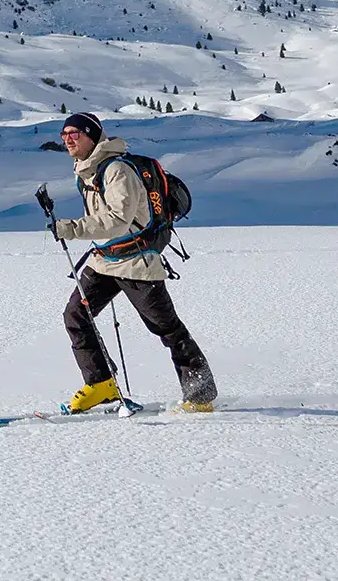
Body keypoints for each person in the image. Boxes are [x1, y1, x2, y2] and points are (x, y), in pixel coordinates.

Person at [51, 112, 217, 413]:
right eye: (64, 135)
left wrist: (72, 228)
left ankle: (200, 395)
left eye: (74, 133)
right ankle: (101, 384)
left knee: (167, 329)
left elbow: (118, 219)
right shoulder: (86, 172)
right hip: (104, 260)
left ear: (92, 135)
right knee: (76, 316)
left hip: (135, 262)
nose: (68, 140)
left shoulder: (116, 170)